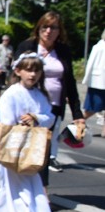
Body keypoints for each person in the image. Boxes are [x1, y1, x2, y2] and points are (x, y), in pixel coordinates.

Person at [0, 53, 56, 212]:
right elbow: (5, 122)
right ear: (18, 71)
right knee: (20, 191)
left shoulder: (41, 95)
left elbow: (49, 117)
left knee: (23, 188)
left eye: (36, 70)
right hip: (15, 148)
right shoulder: (11, 94)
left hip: (33, 148)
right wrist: (21, 123)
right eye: (28, 70)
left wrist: (37, 117)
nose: (32, 74)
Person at [15, 11, 83, 179]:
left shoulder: (63, 50)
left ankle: (42, 191)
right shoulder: (28, 46)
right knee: (28, 148)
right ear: (39, 28)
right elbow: (16, 73)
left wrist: (77, 114)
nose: (49, 31)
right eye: (45, 27)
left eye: (54, 28)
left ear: (59, 31)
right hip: (30, 106)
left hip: (54, 107)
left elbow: (70, 82)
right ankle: (24, 186)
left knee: (43, 149)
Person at [82, 29, 105, 135]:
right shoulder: (98, 47)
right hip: (98, 82)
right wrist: (86, 79)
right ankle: (78, 121)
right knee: (93, 107)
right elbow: (90, 63)